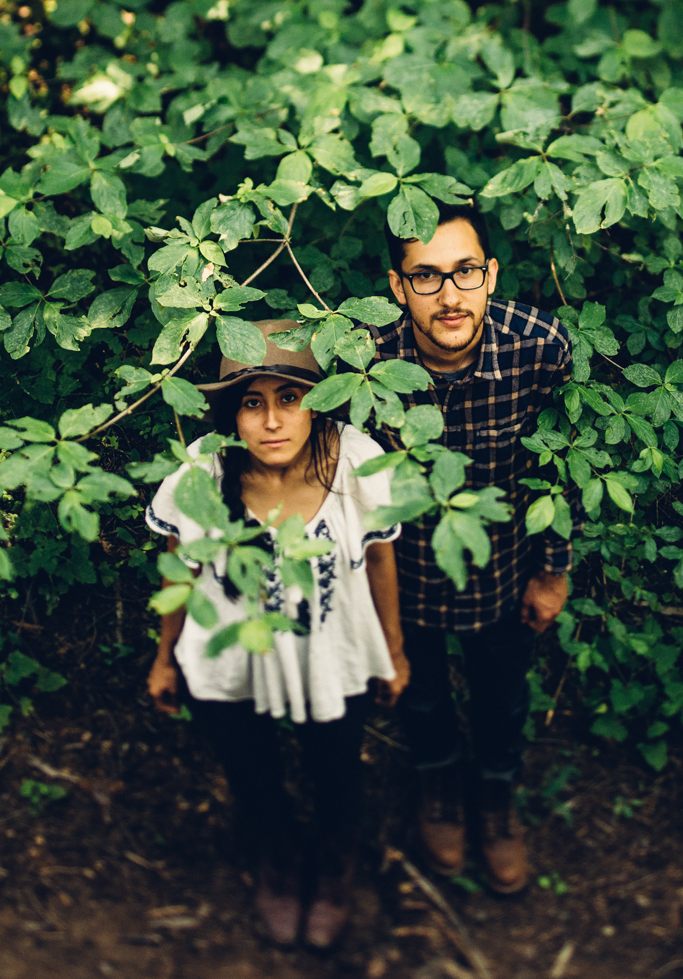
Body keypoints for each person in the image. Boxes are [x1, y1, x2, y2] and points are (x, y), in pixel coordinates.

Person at [145, 320, 411, 951]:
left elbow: (379, 558)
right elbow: (179, 571)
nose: (272, 421)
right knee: (252, 772)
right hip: (229, 656)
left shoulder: (353, 461)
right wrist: (164, 660)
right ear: (231, 415)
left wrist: (393, 654)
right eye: (252, 402)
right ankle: (277, 859)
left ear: (316, 404)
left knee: (335, 769)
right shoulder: (205, 475)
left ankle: (336, 866)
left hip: (332, 649)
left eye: (290, 398)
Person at [375, 203, 573, 895]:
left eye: (464, 271)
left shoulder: (540, 346)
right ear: (399, 288)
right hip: (404, 580)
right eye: (426, 277)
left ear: (490, 274)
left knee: (501, 699)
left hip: (504, 573)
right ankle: (437, 790)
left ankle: (495, 800)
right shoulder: (366, 357)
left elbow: (559, 464)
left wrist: (552, 572)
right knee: (422, 700)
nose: (450, 295)